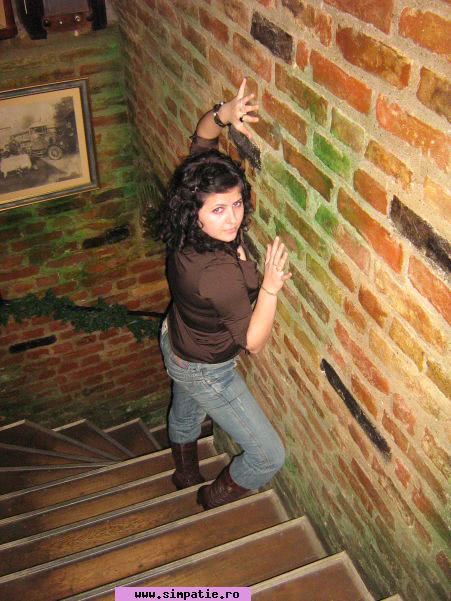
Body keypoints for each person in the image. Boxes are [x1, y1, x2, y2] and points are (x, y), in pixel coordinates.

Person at [159, 79, 292, 510]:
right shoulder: (216, 273)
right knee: (268, 456)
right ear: (195, 210)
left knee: (185, 410)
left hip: (178, 340)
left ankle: (183, 473)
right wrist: (269, 287)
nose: (232, 218)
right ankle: (208, 498)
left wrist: (223, 114)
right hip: (205, 366)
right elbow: (253, 342)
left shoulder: (190, 211)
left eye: (236, 203)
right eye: (218, 209)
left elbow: (203, 138)